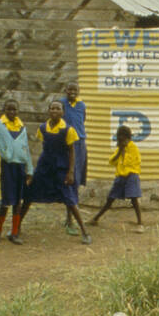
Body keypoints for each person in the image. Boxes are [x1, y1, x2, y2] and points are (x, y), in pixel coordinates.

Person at [15, 99, 90, 245]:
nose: (55, 111)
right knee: (29, 195)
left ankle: (85, 232)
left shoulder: (68, 130)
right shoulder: (42, 128)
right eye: (52, 109)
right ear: (49, 111)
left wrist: (70, 172)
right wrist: (33, 169)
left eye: (58, 109)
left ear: (63, 112)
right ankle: (16, 228)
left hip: (61, 167)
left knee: (69, 199)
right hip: (45, 167)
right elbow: (40, 148)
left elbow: (72, 152)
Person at [88, 124, 145, 233]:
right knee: (110, 199)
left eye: (122, 137)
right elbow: (111, 161)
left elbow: (133, 162)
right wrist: (120, 151)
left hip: (131, 176)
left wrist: (124, 153)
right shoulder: (119, 149)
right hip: (120, 176)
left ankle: (140, 224)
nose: (121, 140)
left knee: (134, 199)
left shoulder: (133, 148)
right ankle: (95, 219)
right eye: (119, 137)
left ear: (128, 138)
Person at [0, 99, 33, 244]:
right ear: (4, 110)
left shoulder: (22, 127)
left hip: (20, 167)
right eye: (9, 109)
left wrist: (30, 170)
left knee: (17, 201)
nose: (12, 112)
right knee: (5, 200)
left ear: (18, 111)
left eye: (14, 109)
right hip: (6, 166)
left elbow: (26, 148)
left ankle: (14, 232)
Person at [60, 82, 88, 235]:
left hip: (79, 144)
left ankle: (71, 218)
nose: (72, 92)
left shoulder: (82, 105)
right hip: (66, 143)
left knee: (76, 179)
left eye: (75, 90)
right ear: (65, 90)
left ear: (78, 91)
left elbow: (82, 121)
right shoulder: (61, 104)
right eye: (69, 89)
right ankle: (70, 219)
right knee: (67, 179)